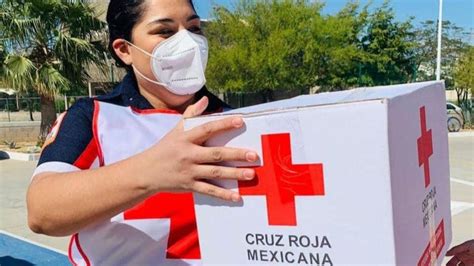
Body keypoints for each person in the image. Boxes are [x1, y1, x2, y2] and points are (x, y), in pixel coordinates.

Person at [26, 0, 258, 265]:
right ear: (125, 50)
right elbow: (42, 212)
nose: (189, 42)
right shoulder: (94, 116)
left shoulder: (236, 122)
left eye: (194, 28)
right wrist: (152, 170)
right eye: (165, 32)